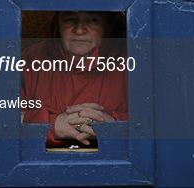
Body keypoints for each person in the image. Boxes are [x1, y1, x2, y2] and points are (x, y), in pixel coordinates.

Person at [21, 11, 127, 148]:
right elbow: (2, 117)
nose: (79, 30)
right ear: (57, 24)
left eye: (93, 20)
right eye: (70, 19)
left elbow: (156, 121)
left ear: (108, 26)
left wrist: (114, 124)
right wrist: (52, 124)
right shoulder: (32, 58)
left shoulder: (131, 58)